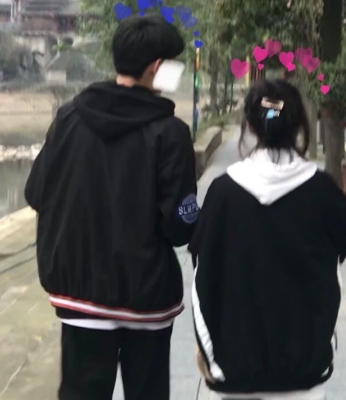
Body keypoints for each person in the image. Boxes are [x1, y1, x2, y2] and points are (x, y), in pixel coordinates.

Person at [24, 14, 198, 400]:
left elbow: (36, 193)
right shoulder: (171, 133)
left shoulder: (69, 118)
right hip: (145, 299)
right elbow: (180, 228)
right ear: (156, 66)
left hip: (78, 293)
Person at [189, 79, 346, 400]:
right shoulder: (322, 191)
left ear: (250, 126)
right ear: (298, 125)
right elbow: (344, 240)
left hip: (233, 367)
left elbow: (202, 267)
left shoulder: (222, 192)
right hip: (304, 368)